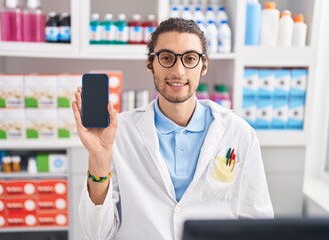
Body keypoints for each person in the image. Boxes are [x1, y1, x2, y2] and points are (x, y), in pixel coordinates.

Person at [72, 18, 274, 240]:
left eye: (189, 58)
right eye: (166, 58)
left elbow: (258, 226)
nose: (178, 71)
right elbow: (97, 234)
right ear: (151, 64)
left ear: (204, 65)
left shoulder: (238, 133)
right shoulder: (119, 133)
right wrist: (99, 157)